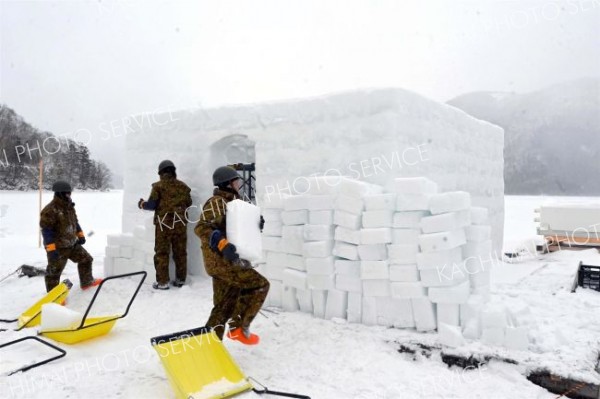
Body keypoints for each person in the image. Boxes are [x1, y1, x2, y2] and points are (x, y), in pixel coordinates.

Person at [195, 166, 269, 345]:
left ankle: (209, 346)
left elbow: (236, 230)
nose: (238, 184)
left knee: (223, 306)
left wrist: (253, 225)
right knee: (259, 285)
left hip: (226, 262)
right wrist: (221, 243)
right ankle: (238, 328)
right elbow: (202, 227)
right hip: (222, 261)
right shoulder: (217, 202)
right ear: (227, 184)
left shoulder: (236, 204)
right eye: (235, 181)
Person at [138, 160, 192, 290]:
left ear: (161, 173)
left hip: (164, 225)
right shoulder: (183, 187)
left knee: (162, 253)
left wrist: (141, 204)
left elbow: (151, 205)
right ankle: (180, 280)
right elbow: (189, 202)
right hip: (180, 224)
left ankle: (163, 282)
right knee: (180, 253)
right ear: (173, 171)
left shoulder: (158, 186)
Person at [40, 180, 101, 292]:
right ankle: (53, 297)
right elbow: (46, 231)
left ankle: (87, 282)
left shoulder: (69, 207)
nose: (69, 195)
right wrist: (51, 250)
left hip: (72, 244)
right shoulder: (50, 210)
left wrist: (80, 235)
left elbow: (75, 223)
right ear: (59, 193)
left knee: (86, 259)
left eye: (69, 192)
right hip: (58, 248)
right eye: (66, 193)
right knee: (53, 272)